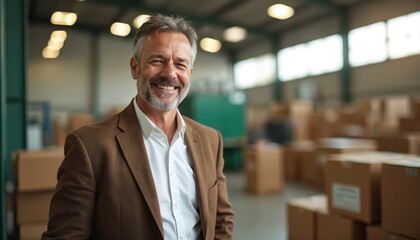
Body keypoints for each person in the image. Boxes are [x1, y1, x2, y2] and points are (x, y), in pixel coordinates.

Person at [42, 14, 234, 240]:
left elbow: (221, 220)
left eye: (180, 64)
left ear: (189, 75)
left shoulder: (210, 140)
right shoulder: (90, 147)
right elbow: (66, 236)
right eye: (158, 61)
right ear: (135, 68)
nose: (170, 73)